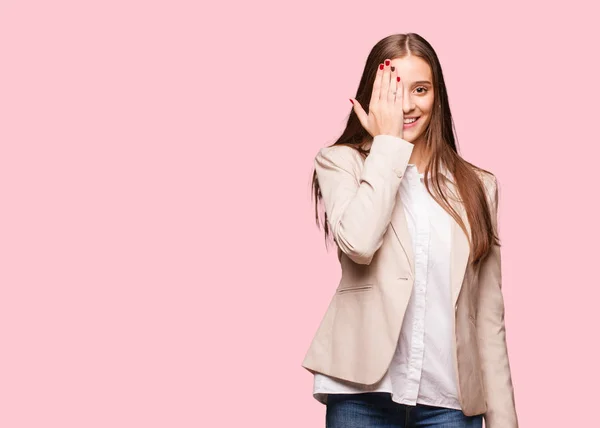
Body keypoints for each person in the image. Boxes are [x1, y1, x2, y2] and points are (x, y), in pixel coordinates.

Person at [301, 33, 519, 428]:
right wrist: (387, 144)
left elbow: (487, 316)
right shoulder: (341, 163)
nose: (407, 104)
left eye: (420, 89)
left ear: (437, 96)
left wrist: (504, 421)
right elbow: (360, 243)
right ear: (372, 94)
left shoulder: (478, 186)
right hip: (360, 394)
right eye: (393, 89)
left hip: (449, 400)